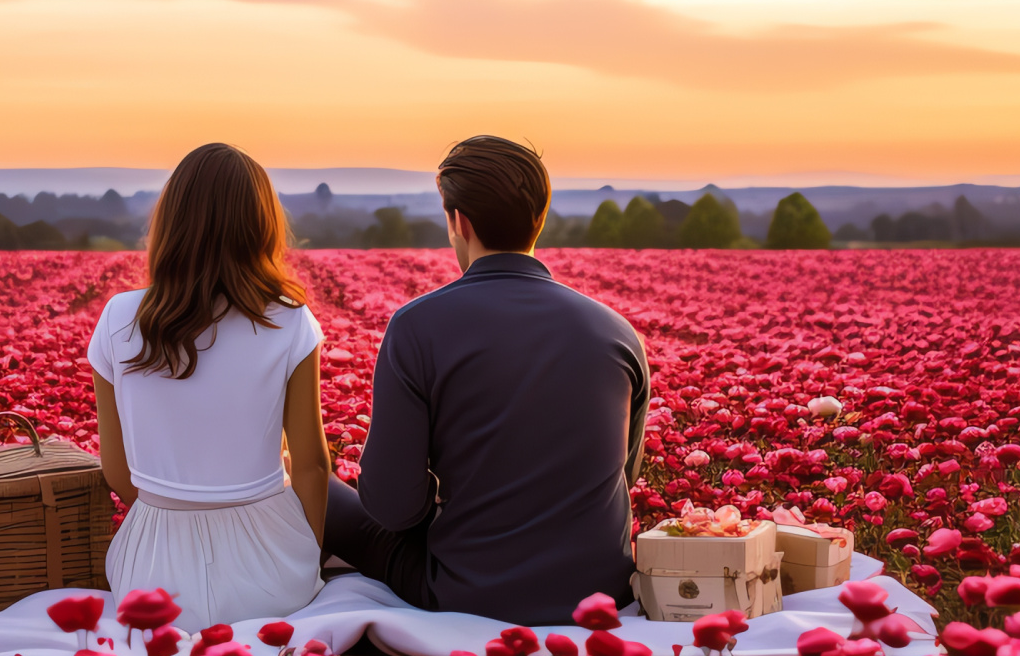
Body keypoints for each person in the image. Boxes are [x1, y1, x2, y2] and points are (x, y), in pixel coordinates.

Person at [324, 136, 649, 626]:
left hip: (467, 592)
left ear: (460, 221)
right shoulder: (617, 333)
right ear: (540, 216)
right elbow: (623, 478)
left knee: (317, 492)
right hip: (599, 593)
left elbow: (392, 510)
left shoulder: (418, 326)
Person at [88, 143, 330, 628]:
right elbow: (312, 466)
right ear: (262, 227)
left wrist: (179, 516)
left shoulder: (118, 317)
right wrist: (306, 553)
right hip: (271, 579)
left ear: (170, 223)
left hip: (150, 581)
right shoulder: (290, 320)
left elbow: (117, 471)